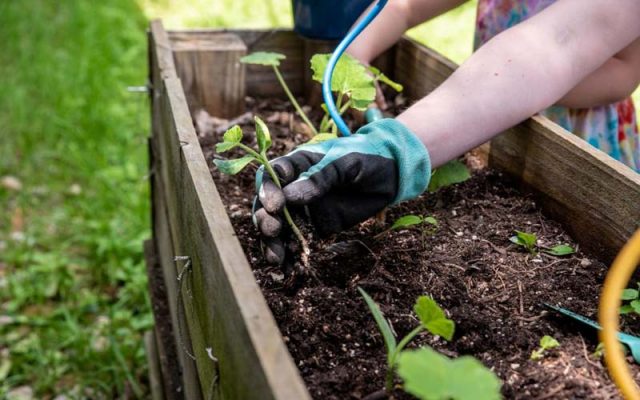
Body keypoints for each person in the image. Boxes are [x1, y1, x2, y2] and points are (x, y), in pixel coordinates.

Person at [254, 0, 640, 264]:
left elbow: (568, 49)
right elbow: (404, 6)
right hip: (484, 114)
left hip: (581, 144)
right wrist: (356, 54)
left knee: (586, 238)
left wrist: (399, 143)